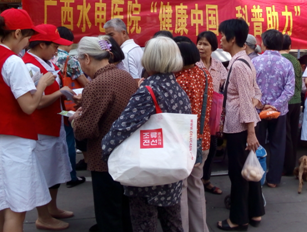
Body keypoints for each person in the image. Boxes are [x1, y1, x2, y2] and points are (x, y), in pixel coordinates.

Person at [0, 9, 55, 232]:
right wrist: (41, 85)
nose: (28, 43)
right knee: (16, 210)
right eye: (28, 37)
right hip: (15, 142)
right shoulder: (12, 61)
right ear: (17, 33)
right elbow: (28, 106)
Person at [102, 37, 191, 232]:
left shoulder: (149, 91)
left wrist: (106, 150)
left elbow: (122, 127)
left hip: (147, 169)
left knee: (144, 224)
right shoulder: (178, 89)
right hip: (172, 165)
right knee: (173, 222)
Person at [69, 36, 136, 232]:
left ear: (87, 58)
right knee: (124, 211)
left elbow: (85, 130)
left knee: (108, 215)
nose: (80, 65)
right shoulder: (123, 76)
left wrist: (75, 119)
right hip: (126, 154)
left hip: (104, 158)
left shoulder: (98, 83)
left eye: (80, 60)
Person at [23, 24, 75, 230]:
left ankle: (51, 208)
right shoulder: (30, 67)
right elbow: (34, 102)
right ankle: (42, 216)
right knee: (44, 173)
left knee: (53, 170)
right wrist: (60, 93)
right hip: (40, 129)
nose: (57, 50)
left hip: (53, 124)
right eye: (54, 46)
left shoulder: (43, 62)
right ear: (42, 44)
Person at [216, 19, 264, 231]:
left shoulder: (238, 65)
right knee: (249, 171)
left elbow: (247, 99)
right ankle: (254, 213)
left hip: (240, 128)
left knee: (238, 174)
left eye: (222, 35)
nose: (220, 39)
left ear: (232, 38)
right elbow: (255, 95)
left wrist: (251, 132)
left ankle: (238, 219)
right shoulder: (245, 61)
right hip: (245, 126)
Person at [174, 39, 213, 232]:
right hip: (203, 138)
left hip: (184, 142)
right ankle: (200, 229)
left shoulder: (179, 80)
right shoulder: (204, 74)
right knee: (196, 186)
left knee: (181, 188)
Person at [251, 29, 294, 186]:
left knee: (257, 143)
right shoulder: (287, 63)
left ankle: (256, 177)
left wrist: (263, 104)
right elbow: (290, 90)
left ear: (264, 43)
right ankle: (274, 180)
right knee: (277, 145)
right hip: (278, 111)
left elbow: (250, 87)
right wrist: (275, 105)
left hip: (258, 110)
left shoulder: (255, 62)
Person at [51, 26, 88, 189]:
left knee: (58, 139)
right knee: (69, 140)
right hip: (68, 103)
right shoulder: (70, 59)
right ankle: (71, 175)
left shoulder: (48, 57)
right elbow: (85, 83)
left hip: (52, 103)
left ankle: (58, 174)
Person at [196, 31, 227, 196]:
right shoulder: (193, 65)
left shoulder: (218, 65)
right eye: (199, 43)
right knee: (197, 149)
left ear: (213, 47)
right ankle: (196, 185)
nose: (201, 47)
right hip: (196, 114)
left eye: (205, 44)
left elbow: (226, 86)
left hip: (214, 115)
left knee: (212, 146)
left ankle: (206, 180)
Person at [280, 34, 303, 176]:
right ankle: (292, 163)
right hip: (297, 100)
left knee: (284, 135)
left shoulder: (280, 60)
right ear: (290, 46)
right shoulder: (295, 61)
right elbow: (299, 83)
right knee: (293, 134)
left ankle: (286, 166)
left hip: (284, 102)